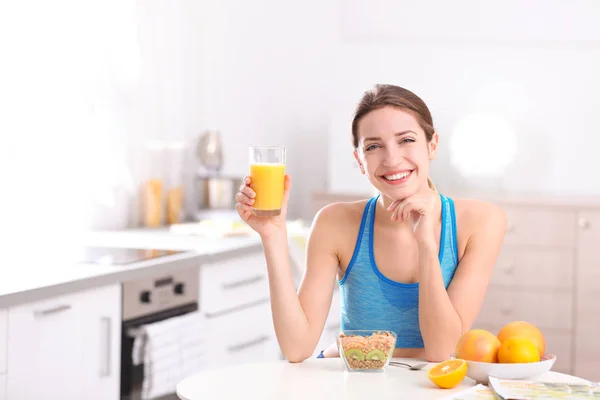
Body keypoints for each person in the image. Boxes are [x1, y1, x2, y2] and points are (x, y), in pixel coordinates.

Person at [235, 84, 507, 363]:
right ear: (360, 161)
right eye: (374, 146)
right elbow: (296, 348)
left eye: (406, 140)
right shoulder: (335, 222)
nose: (391, 159)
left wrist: (425, 243)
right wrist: (273, 234)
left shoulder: (481, 222)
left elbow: (440, 350)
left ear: (432, 145)